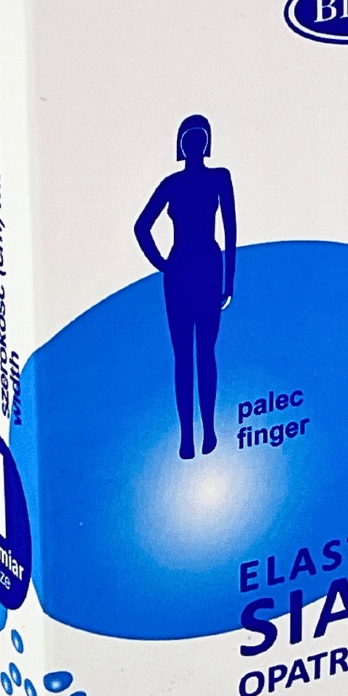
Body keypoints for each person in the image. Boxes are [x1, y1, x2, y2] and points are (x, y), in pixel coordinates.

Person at [134, 115, 236, 459]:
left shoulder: (220, 178)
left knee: (205, 352)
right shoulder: (171, 184)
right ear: (182, 144)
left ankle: (209, 430)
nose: (195, 143)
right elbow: (141, 227)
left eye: (199, 137)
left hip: (208, 269)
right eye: (190, 138)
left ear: (206, 143)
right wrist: (162, 263)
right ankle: (187, 437)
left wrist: (229, 281)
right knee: (183, 357)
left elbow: (231, 231)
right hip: (181, 272)